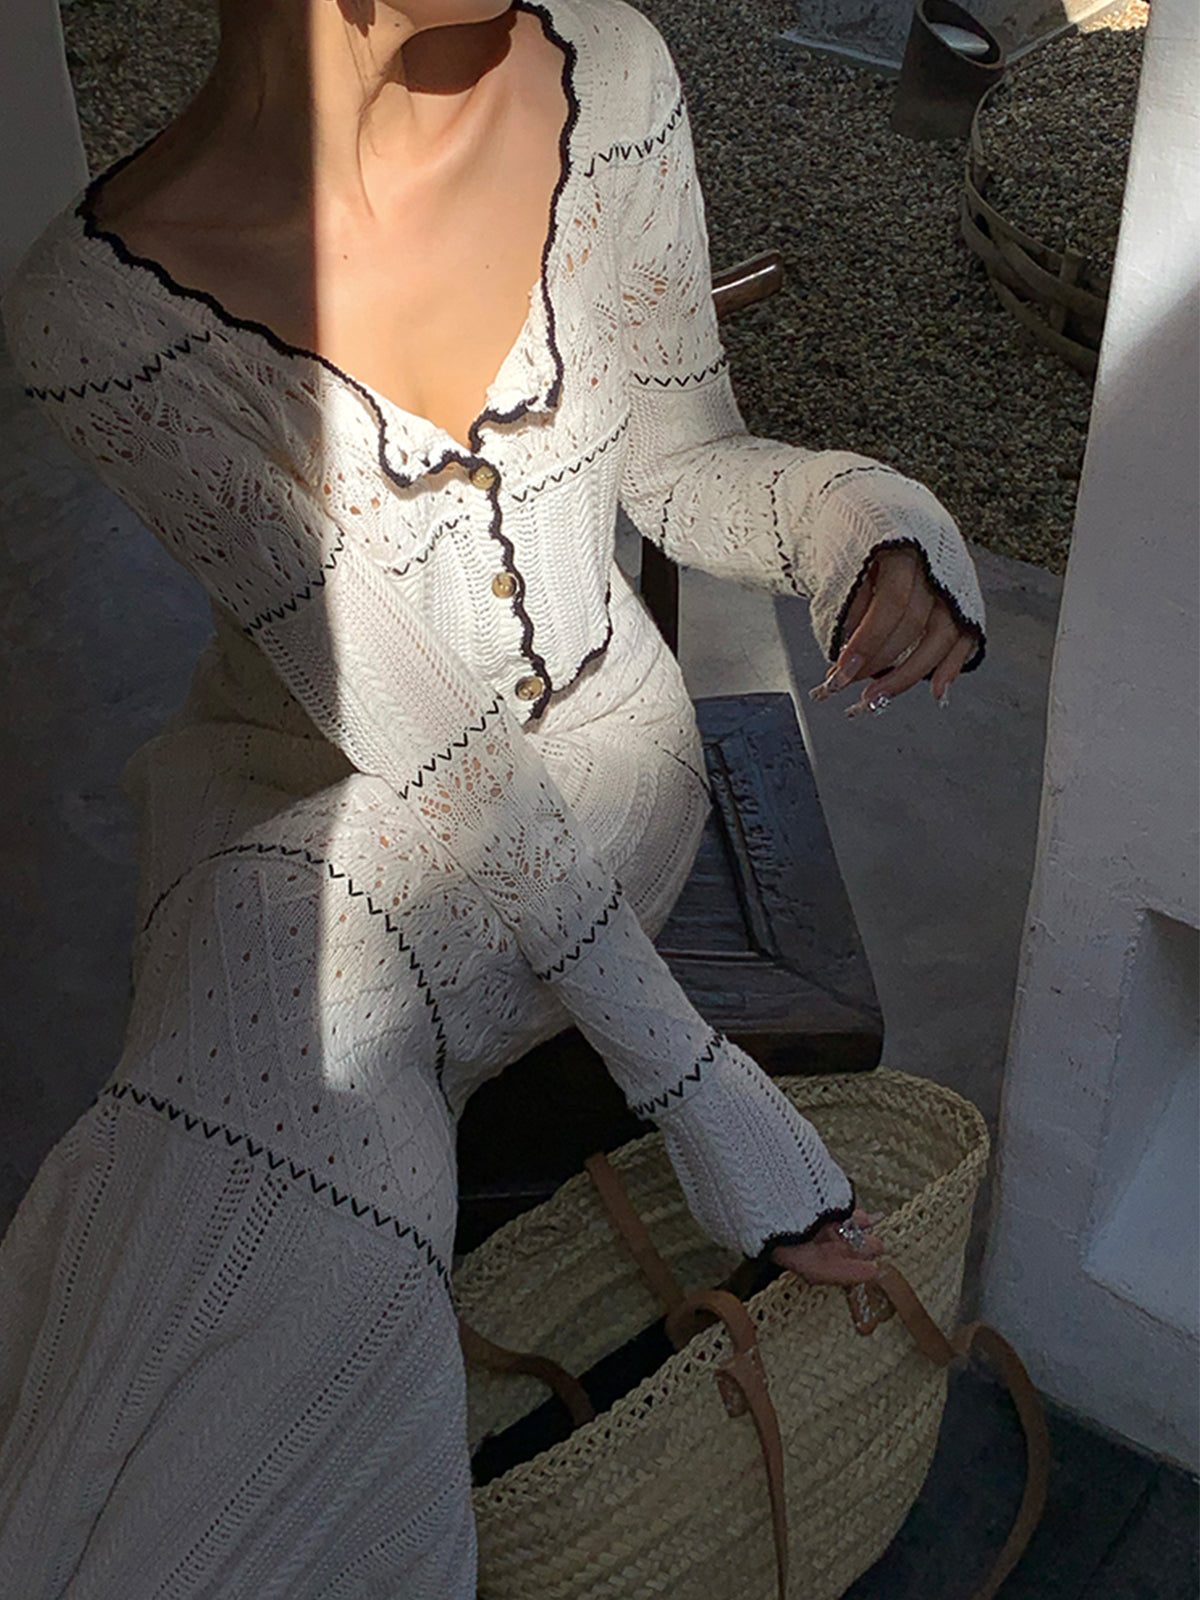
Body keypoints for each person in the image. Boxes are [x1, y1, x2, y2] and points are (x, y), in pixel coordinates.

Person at [0, 0, 985, 1593]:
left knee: (268, 1056)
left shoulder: (612, 74)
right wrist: (706, 1096)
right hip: (285, 789)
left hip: (595, 762)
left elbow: (682, 462)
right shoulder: (96, 318)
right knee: (281, 1023)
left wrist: (868, 516)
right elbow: (419, 740)